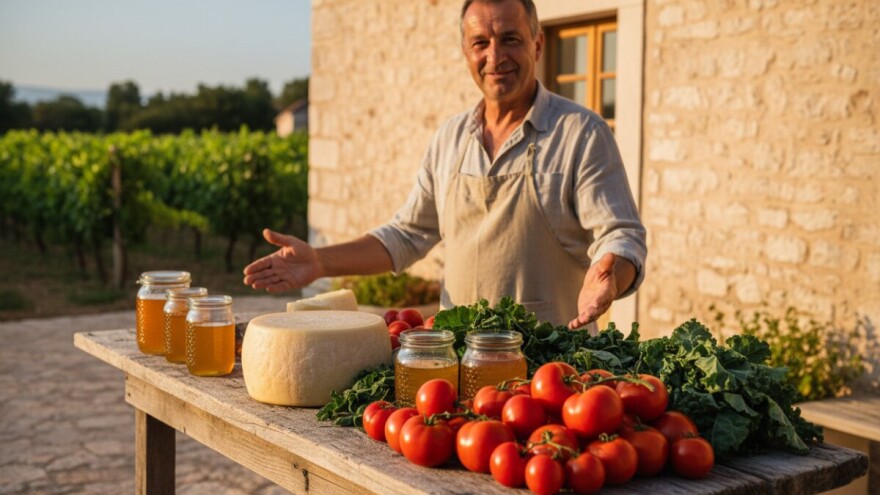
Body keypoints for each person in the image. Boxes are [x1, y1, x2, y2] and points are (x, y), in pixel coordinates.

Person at [243, 0, 647, 331]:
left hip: (548, 377)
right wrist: (319, 261)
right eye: (480, 43)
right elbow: (407, 234)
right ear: (466, 52)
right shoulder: (451, 138)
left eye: (510, 40)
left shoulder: (581, 133)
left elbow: (620, 236)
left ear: (537, 45)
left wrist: (611, 275)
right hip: (458, 364)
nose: (495, 56)